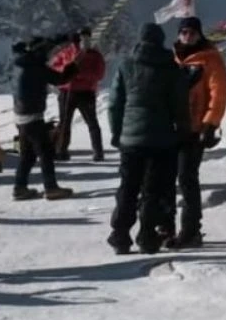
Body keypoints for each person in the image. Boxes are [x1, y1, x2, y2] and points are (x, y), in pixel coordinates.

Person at [106, 24, 190, 254]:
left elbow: (114, 104)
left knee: (128, 187)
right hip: (161, 139)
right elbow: (179, 106)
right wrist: (182, 132)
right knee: (153, 189)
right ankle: (147, 236)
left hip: (130, 140)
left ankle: (120, 235)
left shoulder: (125, 65)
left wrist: (116, 133)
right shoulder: (170, 68)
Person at [165, 16, 226, 248]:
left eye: (192, 32)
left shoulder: (210, 58)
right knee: (166, 179)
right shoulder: (172, 57)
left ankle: (191, 230)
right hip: (171, 127)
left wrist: (210, 123)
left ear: (200, 34)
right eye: (184, 32)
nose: (188, 36)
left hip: (195, 128)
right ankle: (166, 227)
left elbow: (219, 92)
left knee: (186, 178)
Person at [11, 35, 78, 200]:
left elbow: (47, 45)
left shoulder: (22, 63)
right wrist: (75, 64)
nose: (48, 56)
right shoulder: (36, 67)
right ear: (38, 52)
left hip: (20, 116)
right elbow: (60, 79)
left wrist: (64, 39)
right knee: (46, 152)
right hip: (33, 116)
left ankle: (20, 187)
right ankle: (51, 188)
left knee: (28, 154)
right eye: (45, 53)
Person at [50, 27, 106, 161]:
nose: (83, 40)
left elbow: (99, 74)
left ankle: (96, 152)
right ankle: (63, 150)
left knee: (87, 123)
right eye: (82, 37)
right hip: (74, 91)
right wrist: (75, 73)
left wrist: (75, 74)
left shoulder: (91, 54)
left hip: (77, 92)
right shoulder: (70, 53)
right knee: (68, 123)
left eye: (86, 37)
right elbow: (55, 68)